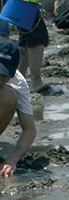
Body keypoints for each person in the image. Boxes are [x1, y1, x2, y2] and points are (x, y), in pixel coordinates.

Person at [0, 39, 36, 177]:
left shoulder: (18, 82)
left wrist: (12, 159)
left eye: (4, 75)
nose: (0, 78)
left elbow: (30, 129)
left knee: (8, 95)